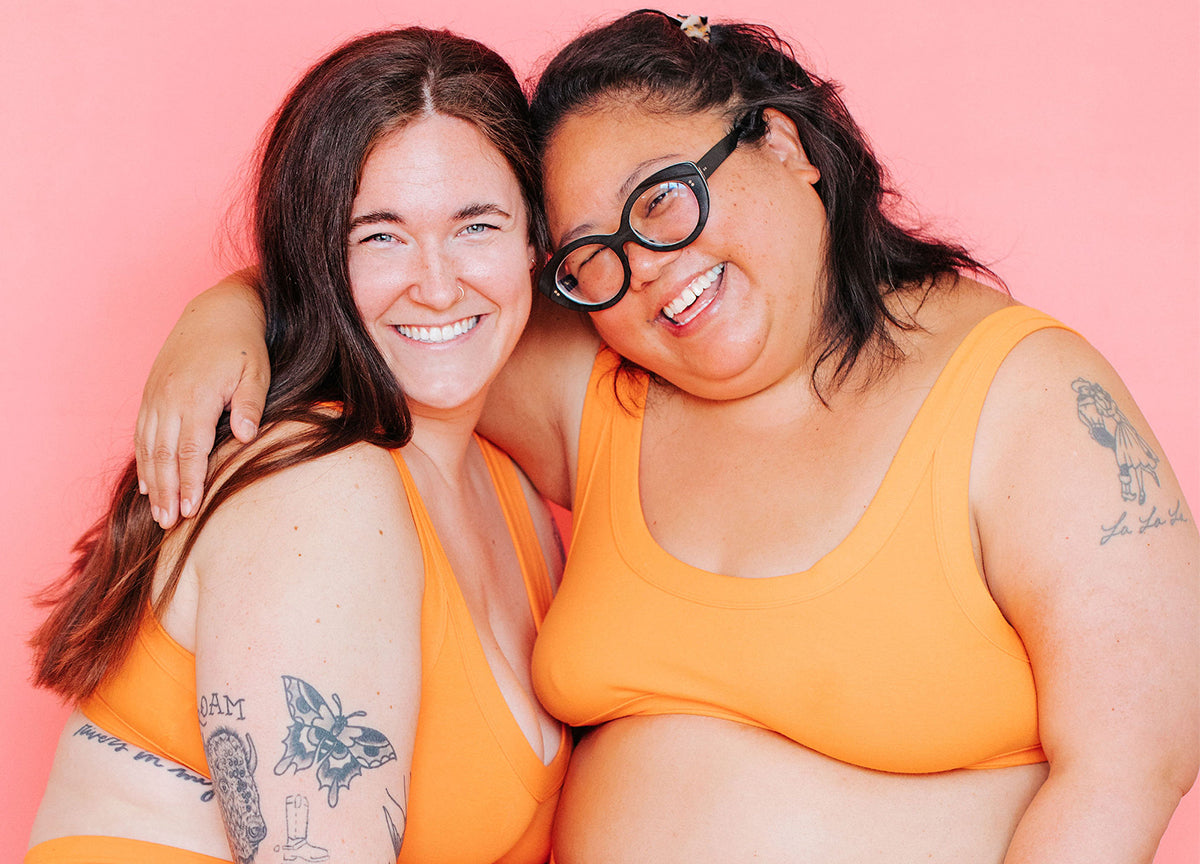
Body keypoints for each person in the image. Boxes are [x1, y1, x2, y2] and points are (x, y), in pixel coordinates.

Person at [133, 10, 1198, 863]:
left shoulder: (1030, 397)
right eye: (591, 255)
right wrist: (223, 314)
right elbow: (413, 300)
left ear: (783, 145)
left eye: (667, 200)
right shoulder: (596, 384)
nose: (646, 269)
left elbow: (1128, 768)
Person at [26, 27, 568, 864]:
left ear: (536, 239)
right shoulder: (324, 491)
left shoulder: (508, 492)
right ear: (320, 262)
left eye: (477, 227)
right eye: (379, 236)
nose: (435, 283)